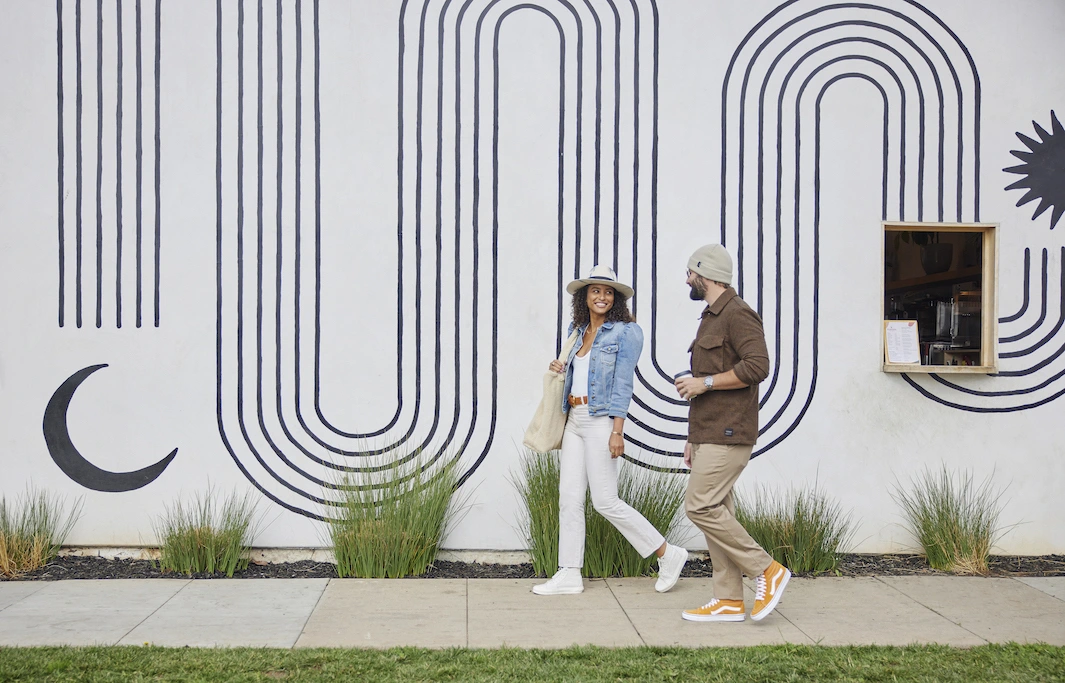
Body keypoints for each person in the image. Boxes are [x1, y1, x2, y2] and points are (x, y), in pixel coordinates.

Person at [532, 265, 688, 595]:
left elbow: (623, 383)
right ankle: (569, 573)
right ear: (584, 297)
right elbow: (578, 372)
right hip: (573, 418)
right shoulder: (578, 330)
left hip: (601, 420)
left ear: (614, 298)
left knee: (605, 501)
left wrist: (618, 430)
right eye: (595, 291)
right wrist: (560, 367)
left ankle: (668, 553)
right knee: (569, 499)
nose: (601, 296)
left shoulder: (626, 333)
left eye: (607, 292)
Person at [673, 244, 791, 622]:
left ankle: (767, 570)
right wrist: (693, 436)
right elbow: (704, 386)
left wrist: (704, 382)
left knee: (700, 506)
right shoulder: (710, 316)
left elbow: (758, 365)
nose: (687, 279)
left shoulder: (738, 314)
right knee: (718, 509)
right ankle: (727, 599)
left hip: (729, 432)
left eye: (690, 272)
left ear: (704, 274)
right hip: (709, 432)